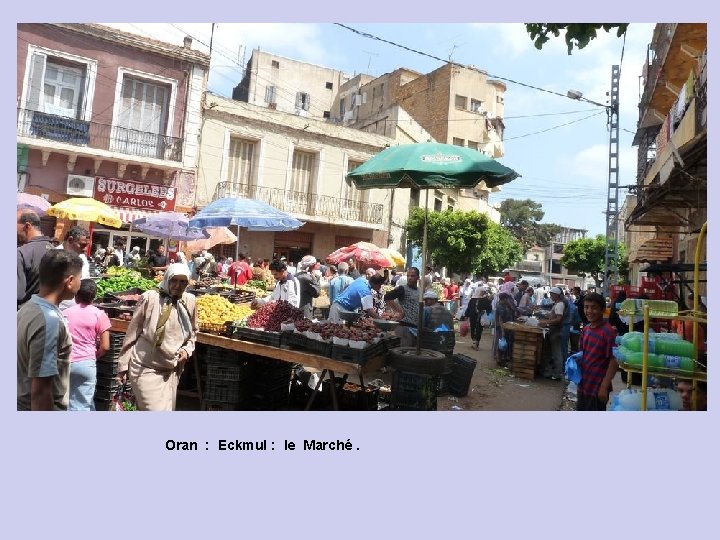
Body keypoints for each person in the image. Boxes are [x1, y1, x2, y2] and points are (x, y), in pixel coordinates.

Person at [117, 263, 198, 411]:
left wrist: (187, 350)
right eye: (174, 280)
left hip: (171, 369)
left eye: (183, 282)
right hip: (145, 367)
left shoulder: (190, 301)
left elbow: (192, 332)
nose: (178, 286)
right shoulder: (150, 298)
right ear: (167, 279)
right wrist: (123, 365)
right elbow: (133, 333)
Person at [17, 250, 83, 410]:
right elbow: (40, 391)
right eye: (80, 278)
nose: (81, 283)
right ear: (70, 281)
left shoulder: (26, 309)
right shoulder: (49, 322)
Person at [63, 279, 111, 411]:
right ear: (94, 296)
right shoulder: (100, 315)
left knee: (67, 401)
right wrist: (95, 356)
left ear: (76, 294)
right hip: (86, 363)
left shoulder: (65, 313)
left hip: (65, 362)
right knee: (83, 404)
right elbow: (105, 346)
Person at [576, 292, 618, 411]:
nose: (589, 311)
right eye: (586, 307)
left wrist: (604, 386)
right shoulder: (586, 329)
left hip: (597, 388)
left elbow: (614, 360)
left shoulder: (608, 332)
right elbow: (583, 354)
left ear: (603, 310)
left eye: (594, 307)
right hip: (583, 384)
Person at [17, 209, 53, 309]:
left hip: (23, 315)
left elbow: (17, 294)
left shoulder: (21, 253)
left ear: (27, 226)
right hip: (48, 313)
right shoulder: (55, 251)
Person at [383, 266, 422, 346]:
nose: (410, 278)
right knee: (404, 353)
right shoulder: (402, 289)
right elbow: (387, 297)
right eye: (408, 276)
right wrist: (399, 311)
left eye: (412, 276)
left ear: (418, 277)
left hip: (415, 328)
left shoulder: (420, 291)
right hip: (404, 327)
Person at [539, 287, 567, 380]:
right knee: (552, 352)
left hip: (556, 330)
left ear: (557, 295)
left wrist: (546, 322)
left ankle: (557, 374)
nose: (551, 296)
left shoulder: (559, 304)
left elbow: (559, 319)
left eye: (552, 295)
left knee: (556, 353)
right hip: (554, 330)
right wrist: (548, 316)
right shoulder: (557, 304)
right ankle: (550, 372)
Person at [494, 292, 516, 366]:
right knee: (501, 343)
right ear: (504, 299)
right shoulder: (500, 306)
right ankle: (499, 359)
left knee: (504, 343)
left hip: (506, 327)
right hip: (501, 327)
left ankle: (503, 358)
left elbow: (512, 310)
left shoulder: (505, 305)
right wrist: (502, 330)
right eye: (507, 299)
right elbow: (500, 319)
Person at [468, 286, 493, 350]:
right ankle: (475, 343)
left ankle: (476, 343)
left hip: (480, 317)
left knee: (479, 329)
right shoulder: (473, 299)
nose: (483, 293)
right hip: (474, 317)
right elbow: (469, 308)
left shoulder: (484, 300)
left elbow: (489, 308)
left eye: (484, 292)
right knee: (473, 329)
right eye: (482, 292)